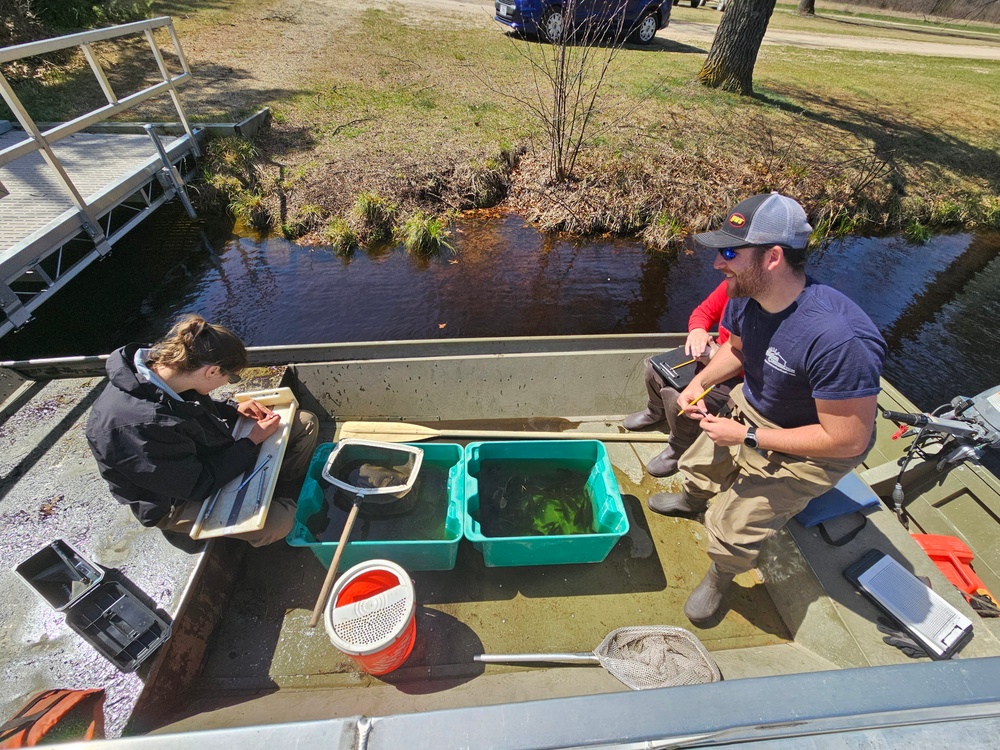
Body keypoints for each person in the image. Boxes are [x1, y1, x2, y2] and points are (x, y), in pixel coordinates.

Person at [647, 192, 886, 624]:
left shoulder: (840, 340)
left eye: (729, 252)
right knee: (699, 463)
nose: (718, 263)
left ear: (773, 256)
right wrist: (699, 383)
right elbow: (738, 351)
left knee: (735, 525)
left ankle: (722, 574)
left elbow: (847, 440)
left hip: (812, 449)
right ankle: (690, 498)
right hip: (752, 410)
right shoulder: (744, 295)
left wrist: (747, 437)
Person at [86, 314, 319, 547]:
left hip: (205, 457)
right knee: (280, 521)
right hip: (175, 498)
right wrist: (252, 440)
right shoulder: (138, 426)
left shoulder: (164, 372)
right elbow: (198, 484)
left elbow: (185, 404)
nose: (229, 383)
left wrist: (234, 409)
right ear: (213, 371)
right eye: (231, 377)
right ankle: (278, 505)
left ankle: (283, 487)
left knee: (304, 423)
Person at [624, 280, 742, 476]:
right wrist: (698, 331)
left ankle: (679, 448)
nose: (720, 263)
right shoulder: (734, 284)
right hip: (713, 356)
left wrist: (715, 356)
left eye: (731, 254)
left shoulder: (777, 310)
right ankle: (655, 412)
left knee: (677, 398)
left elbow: (754, 361)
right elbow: (703, 312)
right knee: (654, 367)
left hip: (741, 378)